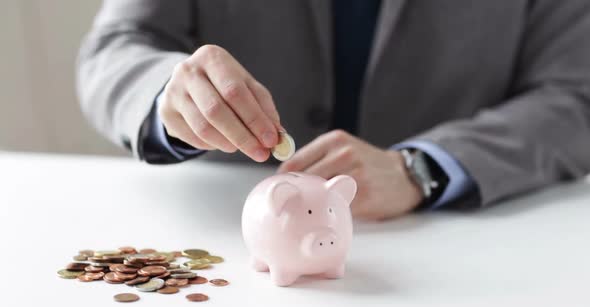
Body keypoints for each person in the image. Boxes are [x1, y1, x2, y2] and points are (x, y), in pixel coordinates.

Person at [77, 0, 590, 220]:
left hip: (456, 248)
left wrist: (423, 168)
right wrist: (172, 95)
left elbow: (574, 95)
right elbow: (117, 47)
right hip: (226, 243)